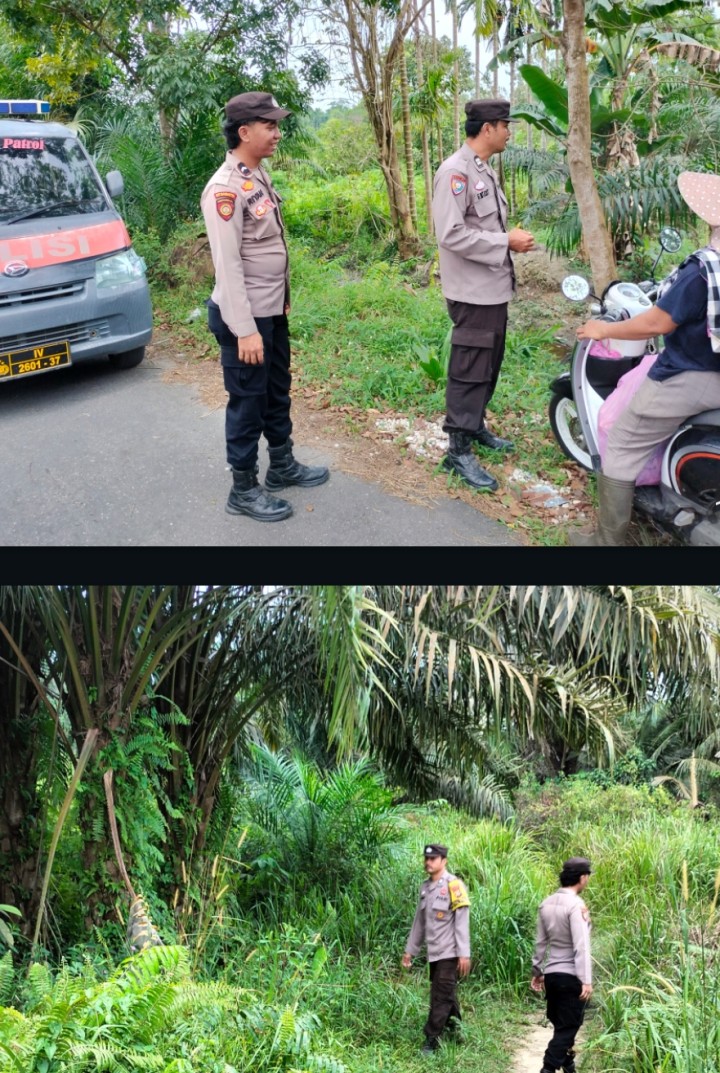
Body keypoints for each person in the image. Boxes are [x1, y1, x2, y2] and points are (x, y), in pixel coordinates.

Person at [569, 170, 720, 545]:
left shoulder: (703, 269)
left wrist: (602, 330)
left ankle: (606, 547)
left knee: (620, 443)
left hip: (693, 376)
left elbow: (655, 324)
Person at [201, 91, 329, 522]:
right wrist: (245, 329)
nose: (277, 132)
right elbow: (229, 264)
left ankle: (282, 466)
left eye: (277, 125)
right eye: (269, 125)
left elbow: (270, 247)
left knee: (277, 390)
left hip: (270, 310)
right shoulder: (224, 189)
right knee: (247, 400)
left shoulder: (256, 176)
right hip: (247, 318)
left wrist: (281, 305)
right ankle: (243, 489)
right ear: (244, 131)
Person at [432, 99, 535, 492]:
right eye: (506, 125)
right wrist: (505, 241)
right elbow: (451, 234)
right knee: (469, 369)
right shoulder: (455, 172)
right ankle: (457, 450)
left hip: (491, 290)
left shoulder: (482, 170)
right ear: (488, 128)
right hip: (472, 293)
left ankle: (474, 427)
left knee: (488, 365)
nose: (510, 132)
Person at [401, 843, 471, 1055]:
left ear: (444, 861)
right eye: (426, 858)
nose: (428, 862)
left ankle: (431, 1040)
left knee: (439, 995)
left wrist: (463, 953)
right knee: (446, 992)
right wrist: (409, 951)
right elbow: (419, 923)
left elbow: (461, 922)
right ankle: (456, 1028)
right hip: (434, 954)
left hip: (449, 952)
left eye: (433, 859)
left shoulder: (454, 885)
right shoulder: (425, 888)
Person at [530, 857, 593, 1073]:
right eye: (587, 877)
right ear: (582, 878)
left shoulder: (546, 903)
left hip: (552, 975)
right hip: (571, 976)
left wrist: (537, 972)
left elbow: (540, 942)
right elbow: (581, 946)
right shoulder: (576, 906)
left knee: (561, 1024)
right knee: (569, 1027)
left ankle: (568, 1064)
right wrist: (586, 980)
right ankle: (548, 1068)